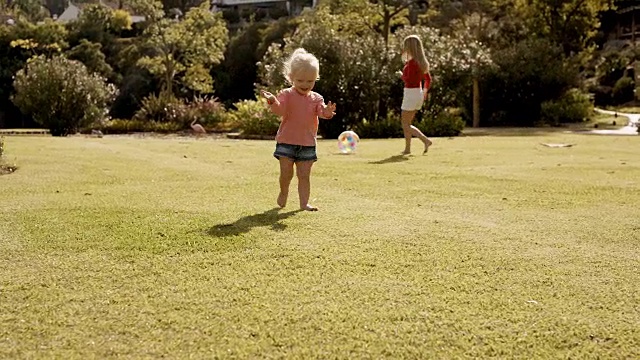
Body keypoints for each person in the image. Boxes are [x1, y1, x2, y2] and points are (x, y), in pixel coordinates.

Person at [261, 48, 337, 211]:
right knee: (286, 174)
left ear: (315, 79)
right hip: (287, 142)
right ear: (291, 78)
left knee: (304, 176)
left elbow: (321, 112)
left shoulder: (317, 98)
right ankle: (283, 192)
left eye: (310, 81)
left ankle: (304, 204)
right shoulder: (287, 94)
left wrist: (327, 112)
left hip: (307, 143)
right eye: (300, 80)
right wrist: (273, 101)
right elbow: (280, 111)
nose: (305, 85)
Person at [397, 35, 433, 155]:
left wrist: (401, 75)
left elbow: (409, 80)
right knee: (408, 123)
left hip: (410, 93)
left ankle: (425, 140)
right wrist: (425, 92)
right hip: (418, 93)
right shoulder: (422, 62)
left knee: (405, 124)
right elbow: (428, 80)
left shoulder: (412, 63)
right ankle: (407, 149)